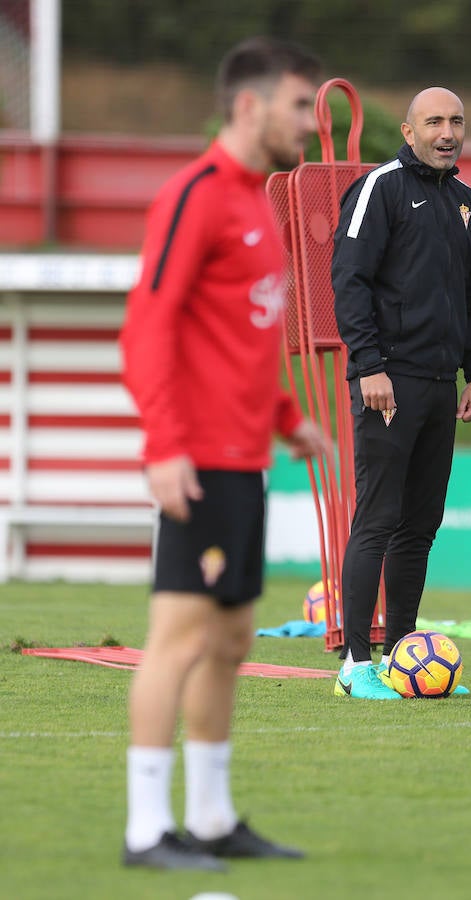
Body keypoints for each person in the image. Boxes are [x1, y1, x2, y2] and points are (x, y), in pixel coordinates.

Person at [119, 36, 325, 870]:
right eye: (299, 105)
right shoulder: (194, 196)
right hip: (198, 461)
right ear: (251, 105)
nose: (310, 122)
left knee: (233, 640)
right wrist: (164, 445)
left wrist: (286, 418)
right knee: (178, 638)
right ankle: (145, 830)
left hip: (248, 461)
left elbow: (244, 338)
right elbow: (148, 326)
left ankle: (210, 817)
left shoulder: (258, 203)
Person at [331, 87, 471, 700]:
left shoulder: (467, 203)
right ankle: (353, 666)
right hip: (387, 382)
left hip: (439, 383)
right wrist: (368, 365)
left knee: (420, 525)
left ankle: (401, 658)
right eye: (434, 121)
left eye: (456, 120)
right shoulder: (381, 188)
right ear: (407, 131)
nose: (447, 131)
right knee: (377, 518)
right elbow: (348, 279)